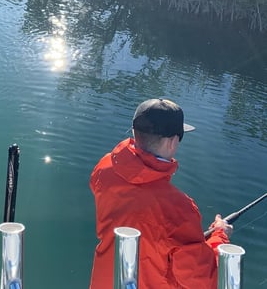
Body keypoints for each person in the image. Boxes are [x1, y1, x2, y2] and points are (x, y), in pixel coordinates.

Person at [89, 98, 232, 289]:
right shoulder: (179, 208)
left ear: (134, 132)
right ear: (173, 142)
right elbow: (204, 281)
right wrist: (219, 234)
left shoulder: (105, 167)